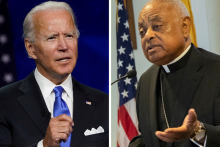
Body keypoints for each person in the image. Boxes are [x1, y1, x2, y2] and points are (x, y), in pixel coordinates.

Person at [0, 1, 108, 147]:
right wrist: (44, 145)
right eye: (52, 37)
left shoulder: (103, 103)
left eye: (69, 35)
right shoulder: (4, 103)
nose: (64, 46)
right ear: (31, 48)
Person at [129, 0, 220, 147]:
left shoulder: (216, 70)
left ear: (184, 26)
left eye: (157, 26)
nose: (148, 36)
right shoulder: (145, 81)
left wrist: (198, 132)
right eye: (142, 32)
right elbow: (147, 138)